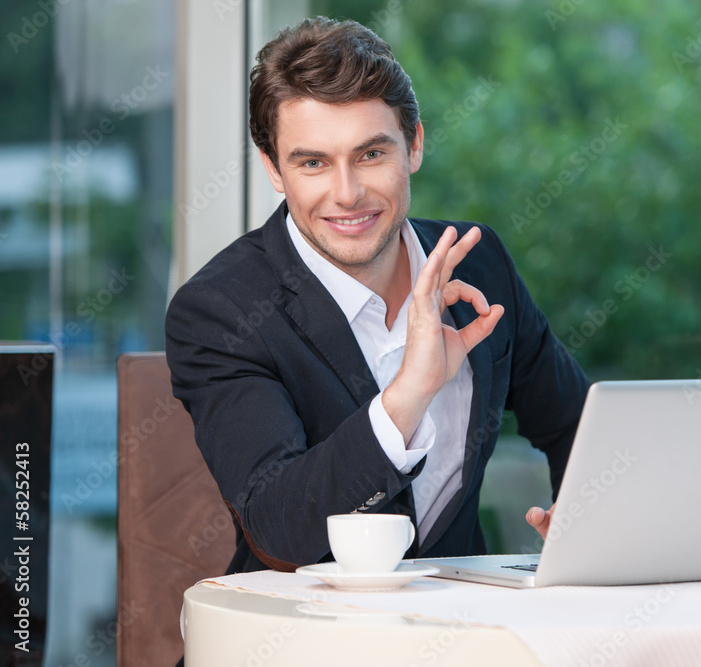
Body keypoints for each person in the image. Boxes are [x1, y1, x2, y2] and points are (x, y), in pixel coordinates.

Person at [165, 16, 590, 575]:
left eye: (370, 154)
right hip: (300, 625)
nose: (347, 194)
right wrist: (409, 394)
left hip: (465, 618)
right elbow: (278, 527)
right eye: (313, 162)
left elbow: (580, 424)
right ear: (273, 169)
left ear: (413, 145)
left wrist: (587, 516)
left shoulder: (479, 262)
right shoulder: (221, 309)